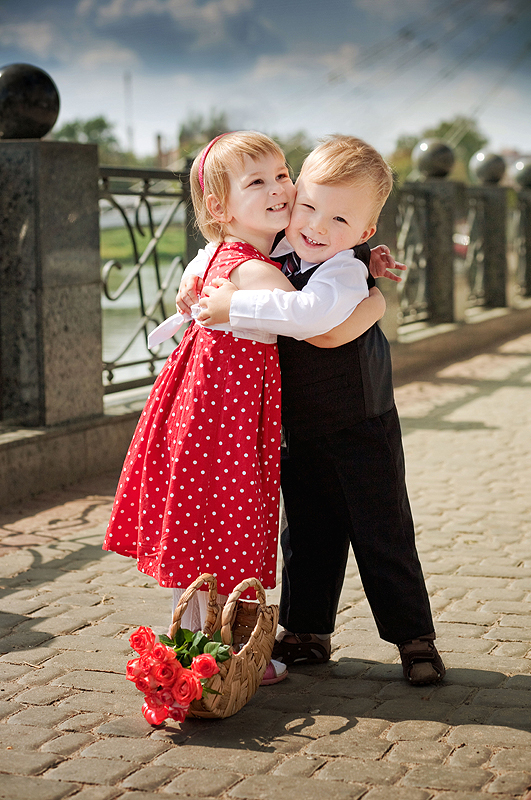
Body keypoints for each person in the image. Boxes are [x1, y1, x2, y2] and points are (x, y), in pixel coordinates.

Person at [103, 131, 385, 686]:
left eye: (282, 175)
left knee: (205, 527)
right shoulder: (258, 272)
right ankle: (214, 655)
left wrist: (360, 256)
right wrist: (372, 298)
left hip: (203, 412)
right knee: (227, 524)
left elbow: (216, 269)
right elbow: (317, 320)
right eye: (257, 182)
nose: (279, 188)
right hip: (226, 421)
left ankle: (198, 648)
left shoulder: (222, 255)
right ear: (219, 207)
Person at [183, 135, 445, 686]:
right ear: (296, 196)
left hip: (360, 419)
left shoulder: (343, 270)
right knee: (306, 533)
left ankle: (413, 637)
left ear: (365, 232)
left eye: (339, 220)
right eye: (307, 207)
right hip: (299, 425)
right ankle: (306, 630)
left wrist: (235, 305)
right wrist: (193, 275)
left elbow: (310, 316)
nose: (317, 228)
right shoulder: (280, 247)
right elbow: (223, 247)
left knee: (382, 529)